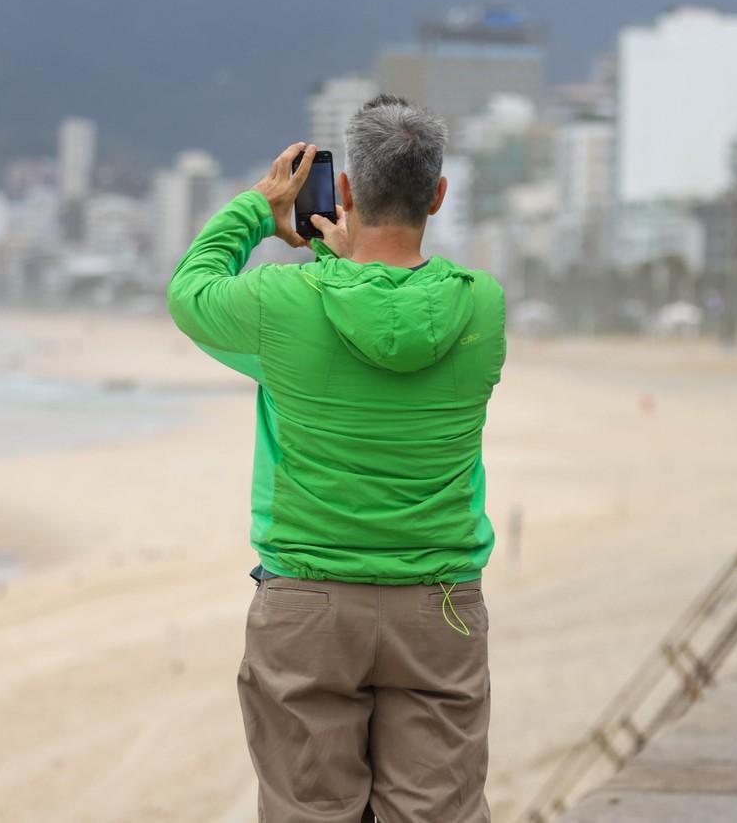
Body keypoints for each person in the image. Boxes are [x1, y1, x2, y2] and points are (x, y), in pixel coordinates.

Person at [167, 97, 506, 823]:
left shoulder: (284, 303)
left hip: (308, 602)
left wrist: (261, 209)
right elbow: (382, 318)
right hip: (438, 603)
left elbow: (189, 291)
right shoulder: (481, 306)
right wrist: (342, 264)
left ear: (344, 189)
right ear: (438, 195)